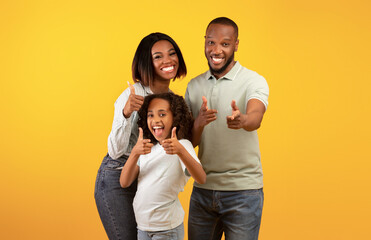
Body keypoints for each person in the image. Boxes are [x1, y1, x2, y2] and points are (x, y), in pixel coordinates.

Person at [94, 33, 187, 240]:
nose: (168, 60)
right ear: (146, 63)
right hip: (118, 177)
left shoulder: (172, 100)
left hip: (148, 177)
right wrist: (126, 113)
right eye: (158, 56)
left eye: (172, 54)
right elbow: (115, 151)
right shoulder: (133, 94)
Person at [185, 17, 269, 240]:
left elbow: (256, 116)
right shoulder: (194, 86)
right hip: (203, 190)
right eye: (211, 42)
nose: (216, 50)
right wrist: (198, 123)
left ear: (236, 45)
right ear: (204, 42)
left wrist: (243, 120)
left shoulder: (254, 80)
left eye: (225, 43)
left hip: (243, 193)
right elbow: (187, 142)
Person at [120, 92, 206, 240]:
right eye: (150, 115)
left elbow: (201, 178)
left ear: (175, 117)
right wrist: (134, 153)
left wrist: (180, 152)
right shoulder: (147, 148)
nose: (155, 120)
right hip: (143, 228)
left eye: (162, 114)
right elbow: (124, 182)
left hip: (167, 229)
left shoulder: (183, 145)